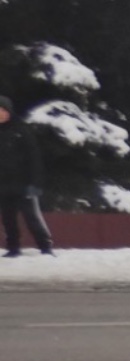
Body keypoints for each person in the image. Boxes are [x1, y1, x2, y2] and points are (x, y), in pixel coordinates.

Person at [0, 95, 57, 257]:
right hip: (3, 185)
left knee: (31, 217)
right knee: (8, 218)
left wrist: (35, 183)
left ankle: (45, 246)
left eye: (4, 110)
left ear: (10, 112)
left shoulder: (21, 130)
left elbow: (34, 159)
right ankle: (13, 248)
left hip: (24, 184)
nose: (1, 114)